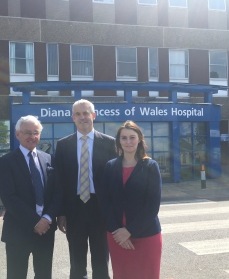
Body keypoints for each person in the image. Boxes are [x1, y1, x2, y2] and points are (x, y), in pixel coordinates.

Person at [55, 99, 116, 279]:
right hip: (74, 209)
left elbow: (114, 181)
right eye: (78, 114)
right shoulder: (63, 145)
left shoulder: (109, 143)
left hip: (100, 208)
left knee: (101, 260)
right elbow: (60, 182)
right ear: (73, 117)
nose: (83, 117)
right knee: (76, 261)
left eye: (86, 113)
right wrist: (61, 213)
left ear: (93, 115)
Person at [0, 115, 62, 279]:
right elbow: (9, 197)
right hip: (18, 230)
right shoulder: (6, 161)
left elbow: (57, 192)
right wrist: (35, 221)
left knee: (44, 275)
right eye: (27, 132)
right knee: (16, 275)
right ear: (17, 134)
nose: (32, 137)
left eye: (36, 133)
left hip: (45, 230)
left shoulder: (48, 159)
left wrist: (47, 218)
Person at [98, 120, 163, 279]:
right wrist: (117, 232)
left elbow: (153, 205)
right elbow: (104, 201)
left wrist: (129, 231)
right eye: (124, 138)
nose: (128, 142)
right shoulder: (110, 166)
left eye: (132, 137)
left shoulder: (150, 166)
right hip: (117, 236)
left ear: (139, 139)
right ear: (119, 141)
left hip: (146, 235)